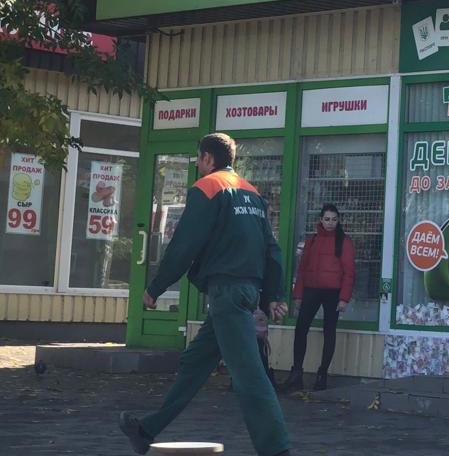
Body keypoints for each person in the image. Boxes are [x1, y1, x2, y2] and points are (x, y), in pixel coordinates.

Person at [119, 132, 292, 456]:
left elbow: (185, 244)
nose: (198, 164)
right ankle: (146, 430)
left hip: (226, 293)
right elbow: (272, 249)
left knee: (250, 377)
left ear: (208, 158)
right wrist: (273, 295)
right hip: (245, 292)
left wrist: (155, 288)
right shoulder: (252, 193)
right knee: (194, 363)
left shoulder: (207, 188)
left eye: (198, 158)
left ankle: (277, 449)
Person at [280, 203, 355, 392]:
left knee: (329, 332)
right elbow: (302, 269)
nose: (330, 223)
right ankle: (296, 373)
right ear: (321, 220)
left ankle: (322, 375)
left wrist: (344, 298)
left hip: (333, 293)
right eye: (327, 219)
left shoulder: (344, 241)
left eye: (334, 219)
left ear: (338, 221)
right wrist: (298, 295)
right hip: (311, 290)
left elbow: (349, 272)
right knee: (300, 329)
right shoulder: (312, 240)